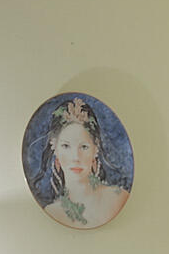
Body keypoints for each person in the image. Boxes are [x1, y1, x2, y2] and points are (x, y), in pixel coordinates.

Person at [31, 96, 131, 228]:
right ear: (55, 148)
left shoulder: (117, 198)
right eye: (66, 146)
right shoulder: (53, 212)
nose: (75, 157)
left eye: (84, 147)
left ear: (95, 149)